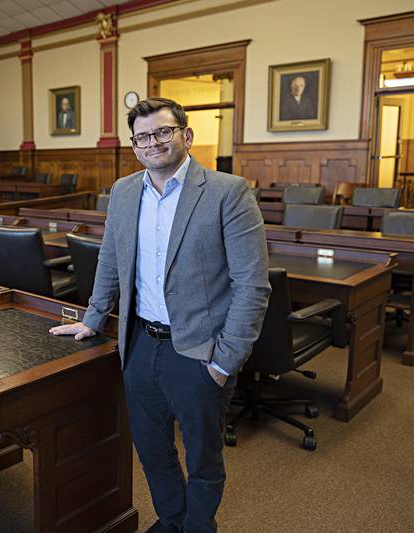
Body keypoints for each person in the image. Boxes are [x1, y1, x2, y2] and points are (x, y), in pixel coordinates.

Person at [50, 97, 269, 533]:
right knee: (151, 451)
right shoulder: (125, 191)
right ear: (134, 145)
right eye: (143, 136)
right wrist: (94, 317)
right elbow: (111, 262)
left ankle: (198, 528)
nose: (154, 142)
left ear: (186, 135)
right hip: (140, 345)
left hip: (199, 352)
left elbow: (253, 286)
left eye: (163, 131)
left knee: (203, 458)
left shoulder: (229, 192)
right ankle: (172, 521)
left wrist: (225, 361)